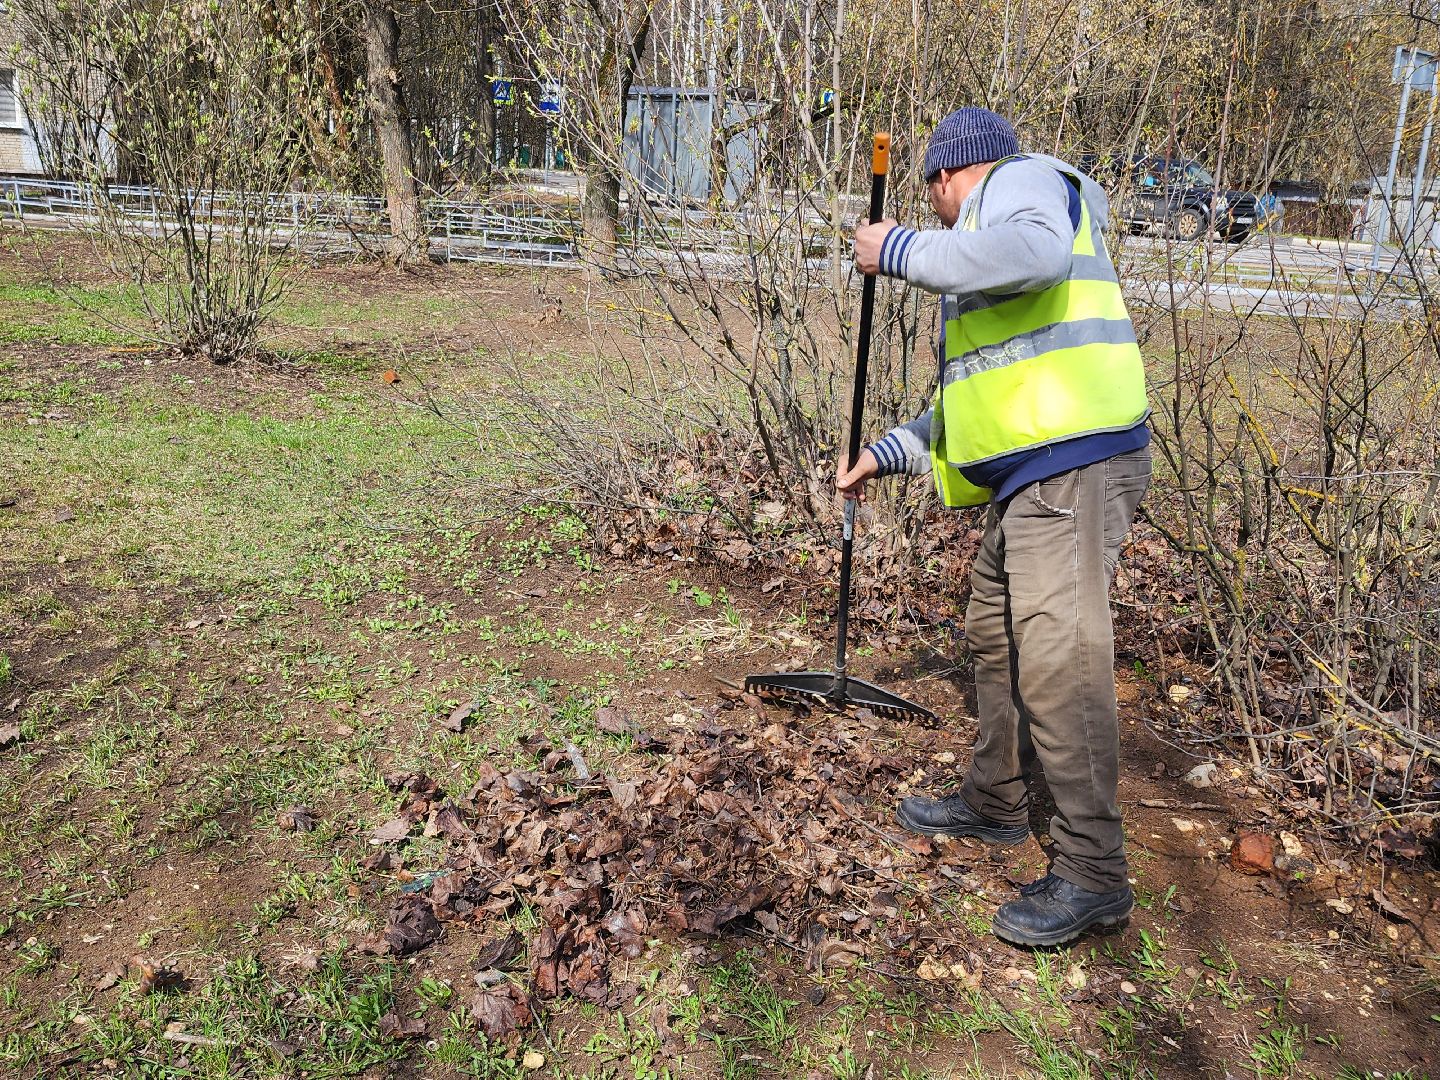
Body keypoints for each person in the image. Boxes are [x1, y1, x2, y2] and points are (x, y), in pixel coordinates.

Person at [839, 107, 1152, 947]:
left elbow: (1038, 251)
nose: (936, 218)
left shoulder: (1020, 184)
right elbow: (978, 397)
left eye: (931, 200)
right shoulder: (989, 238)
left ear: (947, 177)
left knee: (1057, 659)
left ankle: (1094, 872)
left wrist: (898, 250)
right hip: (1034, 473)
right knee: (993, 632)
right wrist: (884, 454)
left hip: (1075, 465)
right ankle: (996, 799)